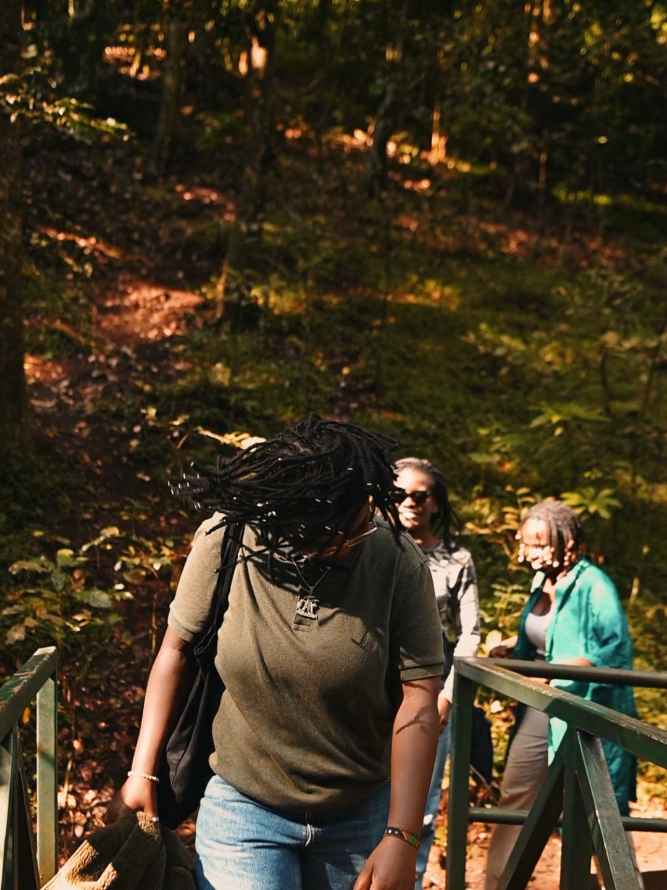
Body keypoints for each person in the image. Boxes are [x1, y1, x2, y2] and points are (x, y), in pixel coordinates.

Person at [105, 415, 444, 890]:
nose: (364, 532)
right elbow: (174, 652)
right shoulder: (227, 539)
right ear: (301, 524)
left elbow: (420, 698)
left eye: (366, 517)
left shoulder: (395, 558)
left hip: (360, 815)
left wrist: (401, 836)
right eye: (348, 530)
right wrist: (143, 772)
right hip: (244, 809)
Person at [485, 499, 640, 889]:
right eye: (528, 544)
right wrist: (511, 645)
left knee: (600, 811)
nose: (532, 553)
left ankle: (623, 883)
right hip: (540, 708)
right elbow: (545, 638)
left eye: (541, 544)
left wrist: (557, 677)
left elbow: (615, 649)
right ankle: (496, 885)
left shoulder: (594, 584)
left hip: (587, 709)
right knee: (515, 797)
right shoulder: (541, 581)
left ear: (567, 540)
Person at [393, 457, 481, 890]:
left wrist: (446, 696)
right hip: (372, 693)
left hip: (431, 695)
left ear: (435, 503)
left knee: (421, 805)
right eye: (399, 493)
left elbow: (469, 635)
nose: (408, 502)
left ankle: (408, 881)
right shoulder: (373, 546)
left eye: (419, 495)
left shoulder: (456, 559)